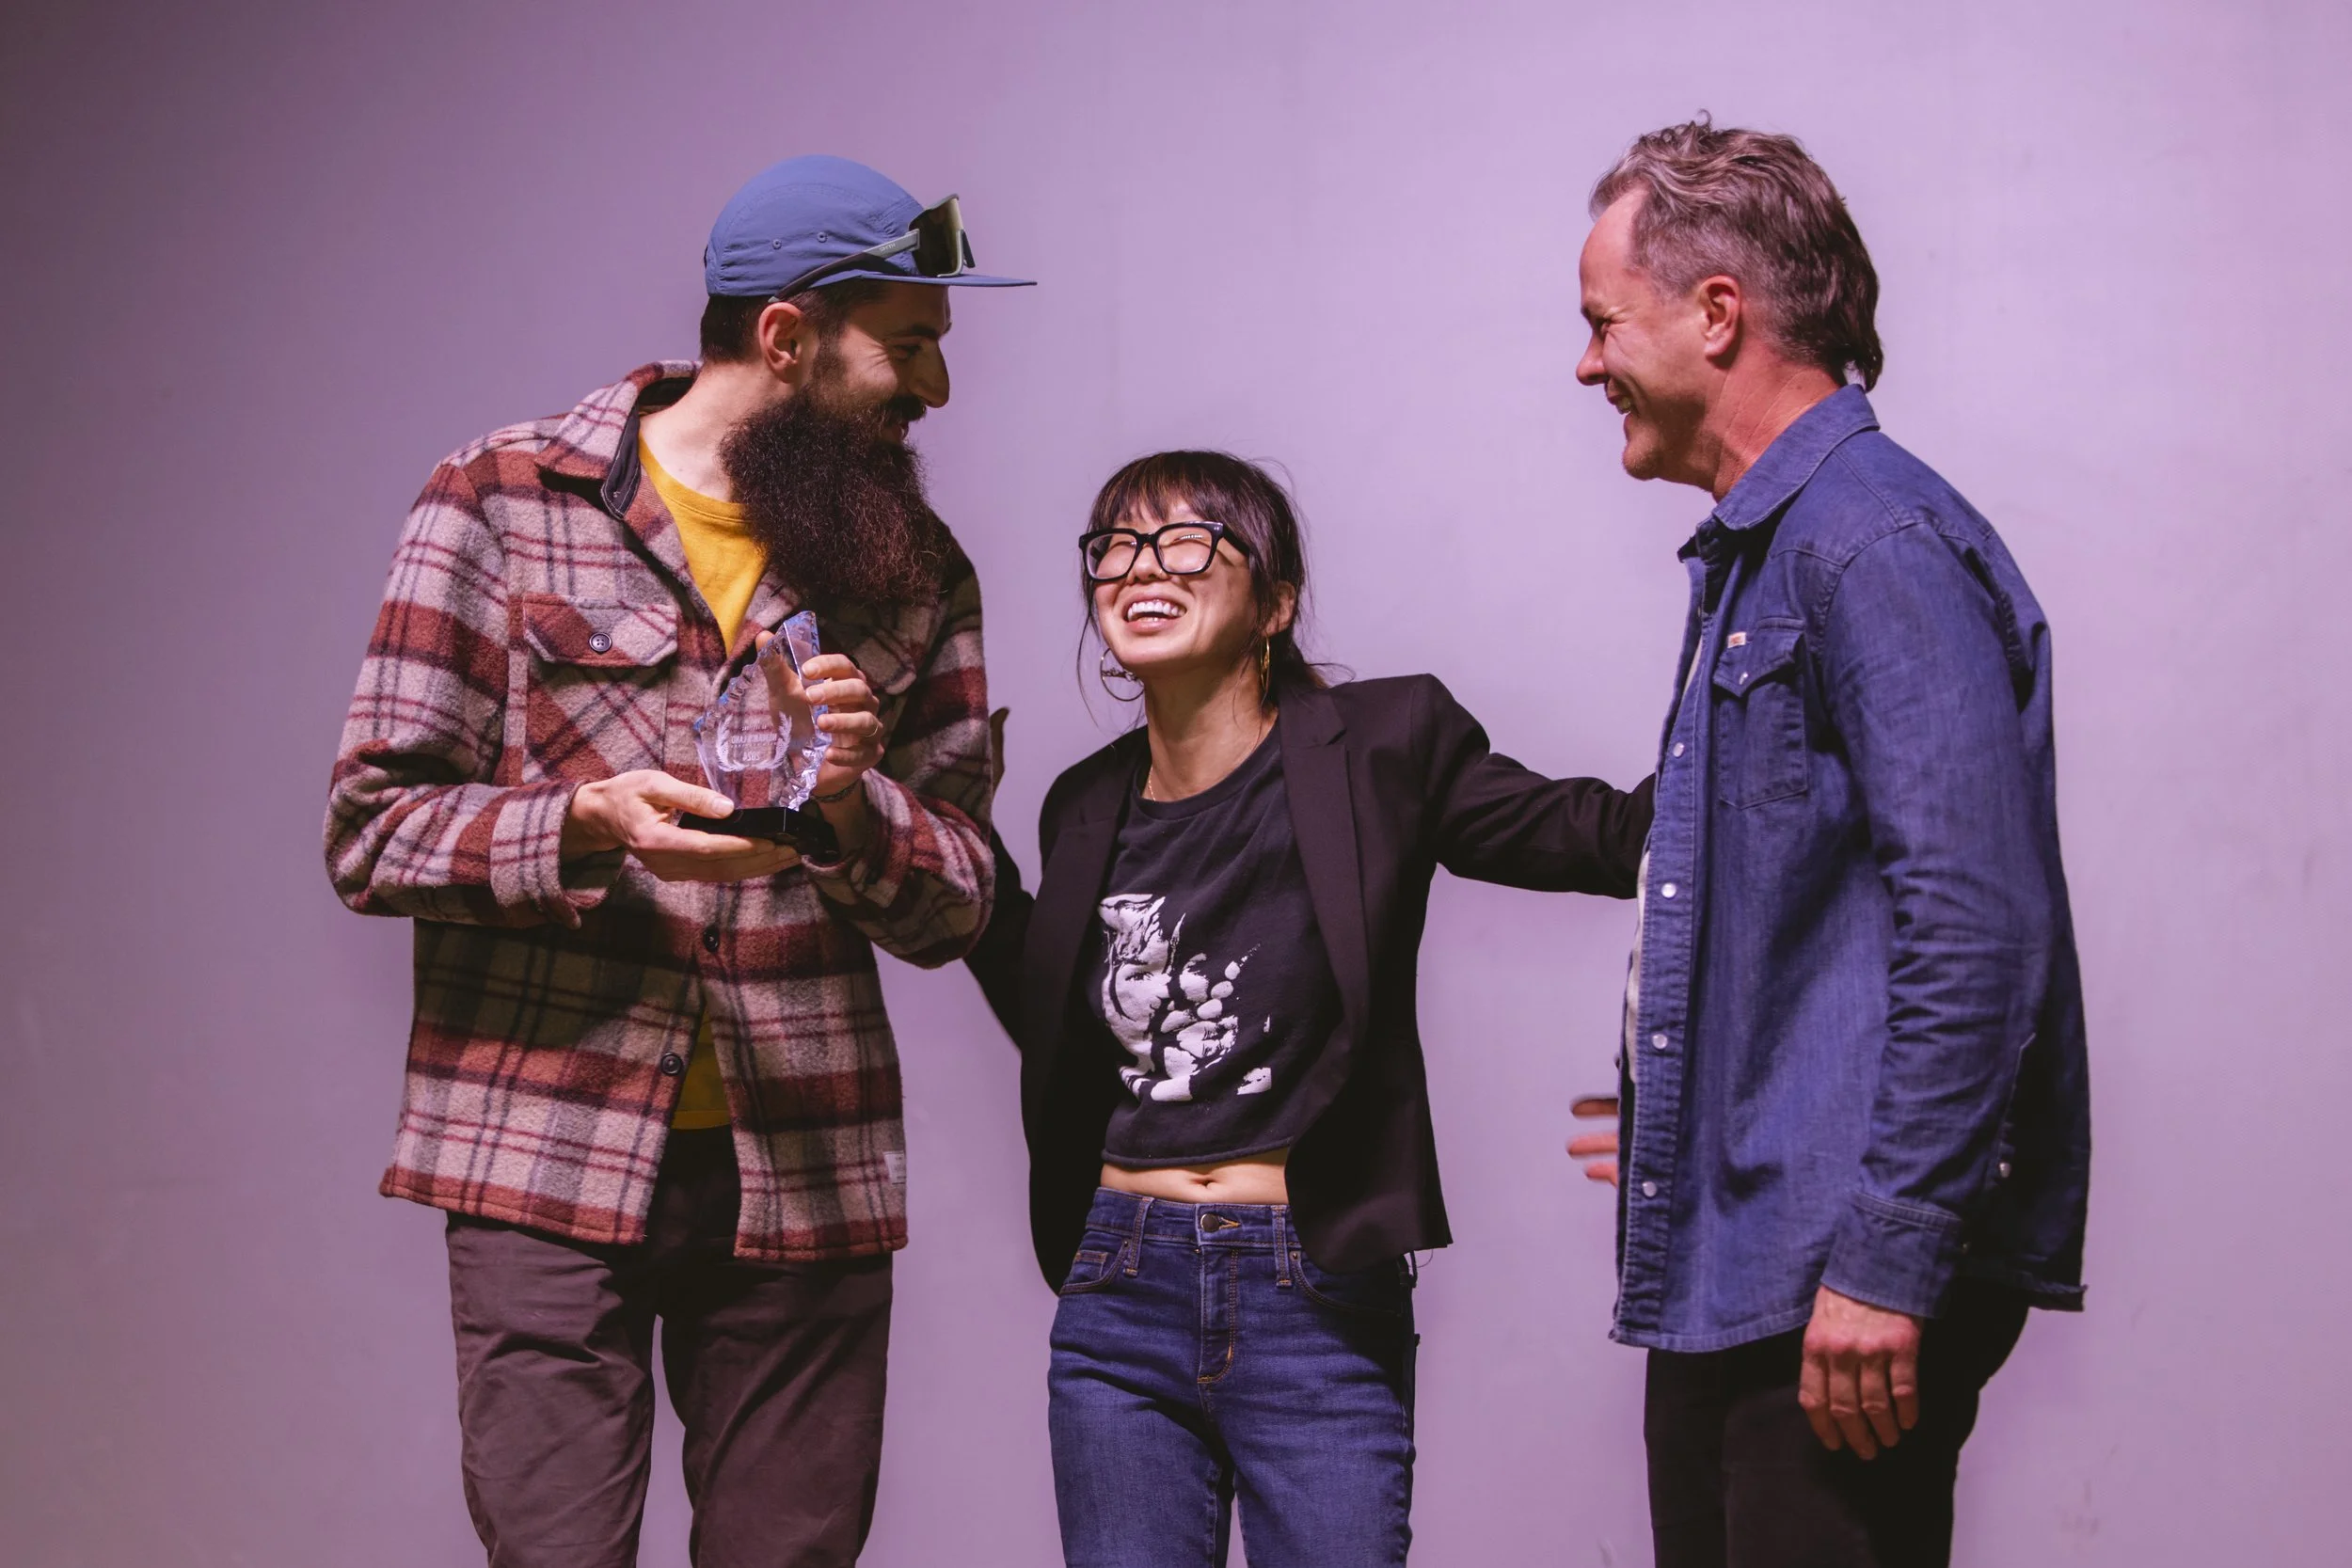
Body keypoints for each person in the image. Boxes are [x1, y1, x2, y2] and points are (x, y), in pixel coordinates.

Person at [325, 154, 1025, 1567]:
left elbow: (963, 890)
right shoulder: (502, 497)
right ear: (786, 335)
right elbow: (373, 827)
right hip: (540, 1154)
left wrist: (851, 802)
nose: (935, 389)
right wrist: (587, 821)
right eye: (909, 345)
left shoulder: (913, 565)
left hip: (805, 1162)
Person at [963, 451, 1655, 1567]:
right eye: (1115, 546)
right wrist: (951, 839)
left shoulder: (1385, 743)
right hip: (1118, 1286)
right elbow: (1064, 1026)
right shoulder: (1081, 804)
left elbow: (1614, 838)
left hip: (1311, 1281)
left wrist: (1780, 715)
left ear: (1274, 601)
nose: (1143, 565)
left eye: (1187, 540)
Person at [1565, 119, 2090, 1568]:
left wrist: (1888, 1248)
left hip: (1830, 1275)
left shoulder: (1871, 545)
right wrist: (1712, 1092)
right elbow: (1822, 901)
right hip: (1754, 1247)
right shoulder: (1774, 547)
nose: (1586, 363)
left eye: (1603, 321)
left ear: (1717, 311)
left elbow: (1976, 922)